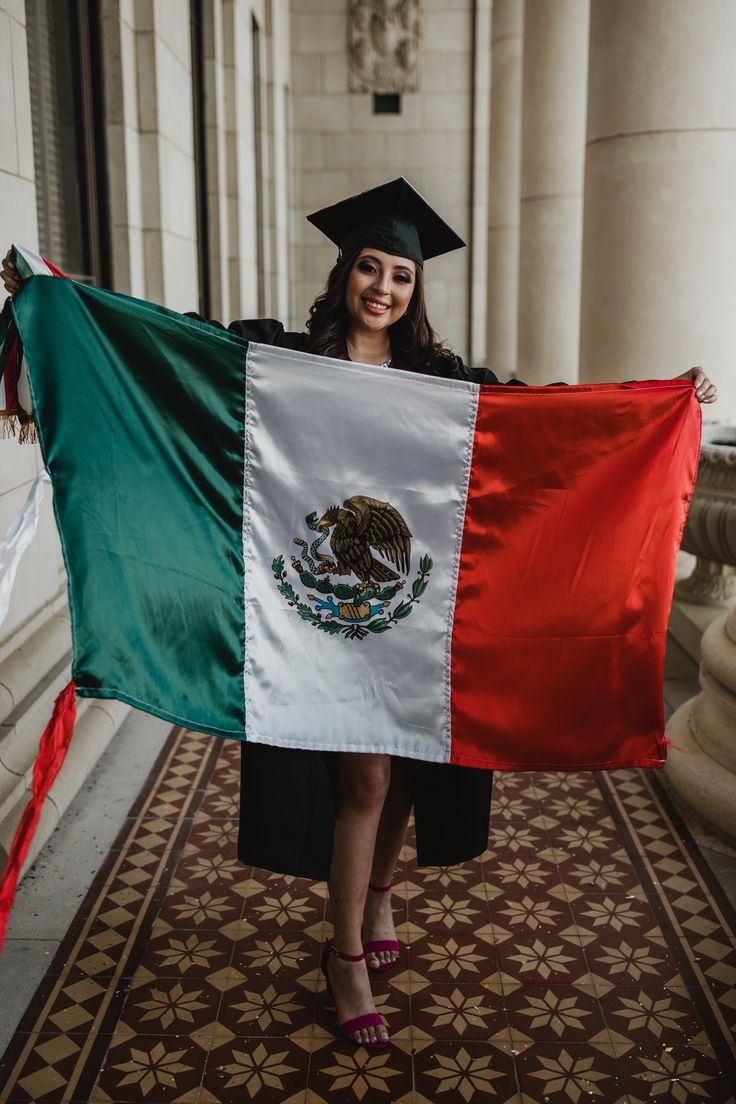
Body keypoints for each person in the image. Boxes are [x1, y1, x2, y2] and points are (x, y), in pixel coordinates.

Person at [1, 178, 718, 1052]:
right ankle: (343, 957)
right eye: (369, 268)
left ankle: (379, 895)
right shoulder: (278, 361)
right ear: (345, 272)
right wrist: (56, 298)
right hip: (322, 626)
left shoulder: (443, 383)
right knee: (366, 781)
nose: (383, 287)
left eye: (401, 276)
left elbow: (542, 421)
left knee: (412, 767)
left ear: (417, 292)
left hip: (414, 622)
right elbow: (166, 352)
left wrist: (659, 405)